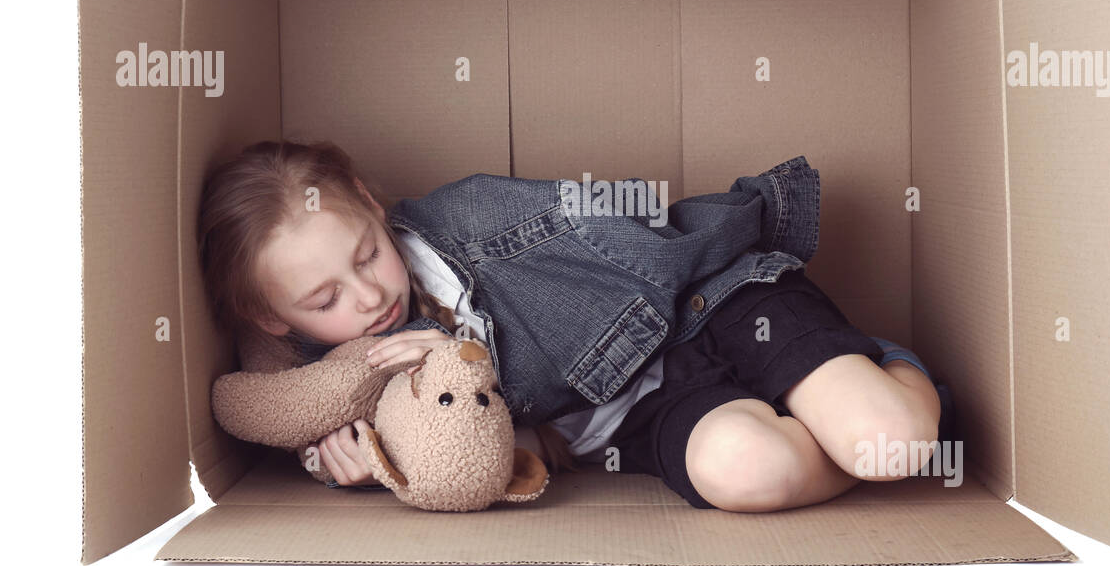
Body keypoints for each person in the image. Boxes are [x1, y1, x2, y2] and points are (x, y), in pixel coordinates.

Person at [198, 139, 950, 511]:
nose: (366, 299)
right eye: (324, 301)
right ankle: (802, 410)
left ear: (368, 200)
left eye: (367, 254)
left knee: (890, 445)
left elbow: (640, 233)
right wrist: (351, 459)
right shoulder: (322, 369)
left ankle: (880, 363)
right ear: (272, 313)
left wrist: (462, 348)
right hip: (647, 417)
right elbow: (272, 391)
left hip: (708, 310)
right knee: (746, 472)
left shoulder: (475, 222)